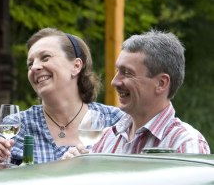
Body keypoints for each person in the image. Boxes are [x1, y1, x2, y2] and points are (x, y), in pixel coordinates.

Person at [0, 28, 123, 168]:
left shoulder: (113, 120)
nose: (34, 68)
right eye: (30, 64)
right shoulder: (18, 125)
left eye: (45, 57)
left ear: (76, 66)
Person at [65, 30, 209, 156]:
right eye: (117, 71)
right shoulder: (106, 138)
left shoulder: (185, 143)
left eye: (127, 73)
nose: (114, 82)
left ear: (161, 83)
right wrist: (76, 171)